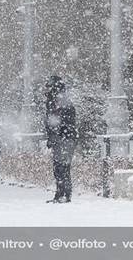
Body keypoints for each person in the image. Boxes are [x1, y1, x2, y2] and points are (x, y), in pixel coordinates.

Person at [44, 75, 79, 203]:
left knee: (63, 167)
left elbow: (64, 122)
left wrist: (58, 135)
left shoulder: (61, 102)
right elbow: (51, 122)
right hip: (59, 139)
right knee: (58, 167)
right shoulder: (52, 101)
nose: (46, 89)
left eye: (48, 86)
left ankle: (65, 194)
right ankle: (59, 194)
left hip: (65, 139)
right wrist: (52, 137)